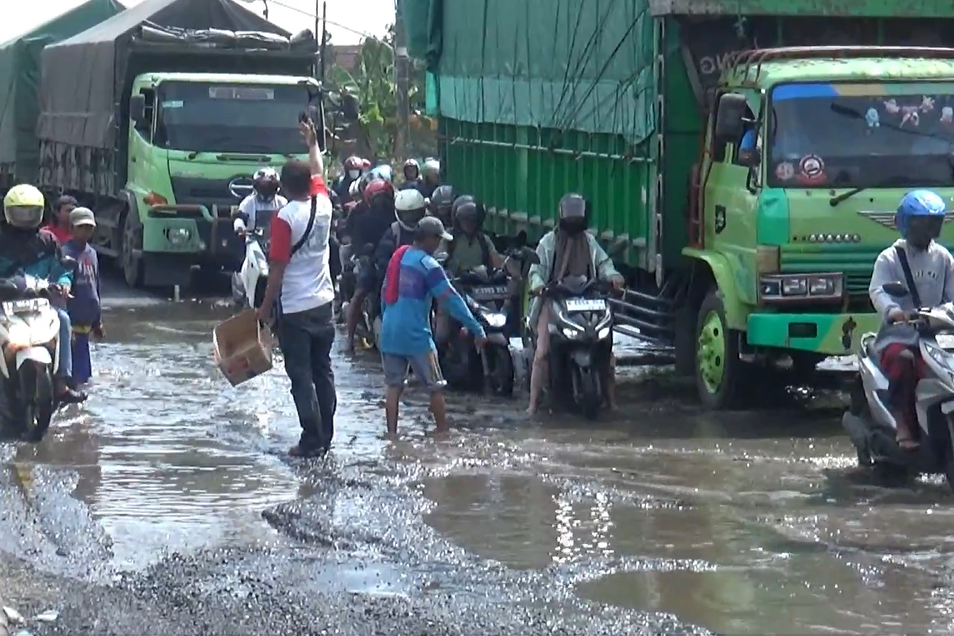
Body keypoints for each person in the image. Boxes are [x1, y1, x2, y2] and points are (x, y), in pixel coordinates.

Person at [256, 118, 337, 458]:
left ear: (283, 188)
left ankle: (310, 440)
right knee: (324, 371)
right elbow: (319, 171)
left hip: (296, 308)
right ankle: (327, 436)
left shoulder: (285, 218)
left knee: (301, 376)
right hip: (325, 303)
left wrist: (263, 310)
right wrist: (312, 144)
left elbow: (276, 271)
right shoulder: (324, 203)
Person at [379, 216, 486, 436]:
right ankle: (442, 433)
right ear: (429, 239)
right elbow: (451, 299)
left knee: (394, 386)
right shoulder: (429, 266)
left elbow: (384, 294)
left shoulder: (398, 258)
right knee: (435, 386)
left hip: (389, 332)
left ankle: (391, 435)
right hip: (416, 335)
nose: (439, 244)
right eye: (438, 239)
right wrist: (476, 328)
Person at [869, 189, 954, 450]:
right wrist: (895, 312)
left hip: (937, 333)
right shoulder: (890, 257)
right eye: (920, 223)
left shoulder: (944, 258)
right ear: (906, 223)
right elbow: (878, 290)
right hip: (899, 334)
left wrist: (945, 312)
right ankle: (904, 423)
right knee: (905, 362)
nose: (926, 230)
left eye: (932, 223)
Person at [526, 193, 625, 415]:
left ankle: (611, 401)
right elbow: (537, 270)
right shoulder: (548, 242)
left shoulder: (590, 241)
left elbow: (604, 263)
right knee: (542, 353)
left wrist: (614, 278)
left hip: (588, 300)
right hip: (554, 299)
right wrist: (539, 285)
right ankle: (532, 404)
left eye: (577, 220)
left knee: (608, 355)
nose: (573, 225)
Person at [0, 185, 86, 403]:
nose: (25, 217)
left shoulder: (48, 241)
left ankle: (61, 383)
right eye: (20, 212)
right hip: (4, 303)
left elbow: (61, 270)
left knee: (64, 320)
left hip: (40, 303)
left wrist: (64, 283)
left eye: (30, 212)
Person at [344, 178, 398, 352]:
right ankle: (349, 339)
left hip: (395, 262)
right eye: (377, 198)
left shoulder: (397, 217)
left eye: (384, 197)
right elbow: (357, 242)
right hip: (373, 262)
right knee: (359, 294)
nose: (381, 202)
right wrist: (365, 253)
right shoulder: (363, 219)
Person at [61, 208, 104, 385]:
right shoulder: (65, 252)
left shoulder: (91, 253)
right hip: (72, 322)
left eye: (89, 227)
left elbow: (96, 287)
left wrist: (98, 321)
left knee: (85, 376)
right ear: (72, 228)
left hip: (87, 322)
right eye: (82, 227)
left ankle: (82, 407)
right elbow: (63, 284)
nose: (86, 231)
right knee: (74, 375)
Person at [443, 196, 503, 274]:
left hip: (479, 282)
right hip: (455, 282)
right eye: (465, 219)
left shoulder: (483, 240)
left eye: (473, 219)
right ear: (457, 220)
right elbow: (439, 258)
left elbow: (496, 263)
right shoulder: (448, 238)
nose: (469, 223)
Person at [233, 167, 286, 237]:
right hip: (253, 241)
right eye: (263, 187)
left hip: (276, 240)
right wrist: (240, 228)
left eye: (270, 188)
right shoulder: (248, 202)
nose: (266, 190)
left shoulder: (282, 202)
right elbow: (240, 218)